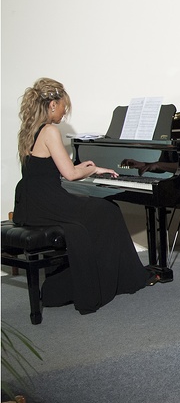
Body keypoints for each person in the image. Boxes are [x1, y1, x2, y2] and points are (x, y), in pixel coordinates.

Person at [12, 78, 155, 315]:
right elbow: (70, 174)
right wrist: (90, 169)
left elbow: (49, 170)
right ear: (51, 105)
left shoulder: (29, 130)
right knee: (108, 211)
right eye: (63, 105)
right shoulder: (50, 131)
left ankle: (109, 276)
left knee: (98, 213)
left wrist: (92, 169)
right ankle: (123, 279)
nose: (65, 111)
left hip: (31, 202)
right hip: (48, 200)